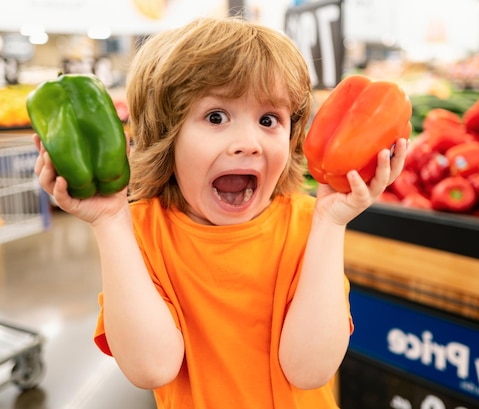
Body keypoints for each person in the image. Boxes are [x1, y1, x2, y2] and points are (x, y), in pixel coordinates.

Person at [34, 16, 408, 408]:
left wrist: (332, 224)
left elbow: (309, 370)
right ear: (167, 135)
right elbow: (151, 368)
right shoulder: (139, 231)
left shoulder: (309, 224)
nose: (248, 143)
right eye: (216, 117)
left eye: (269, 120)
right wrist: (110, 223)